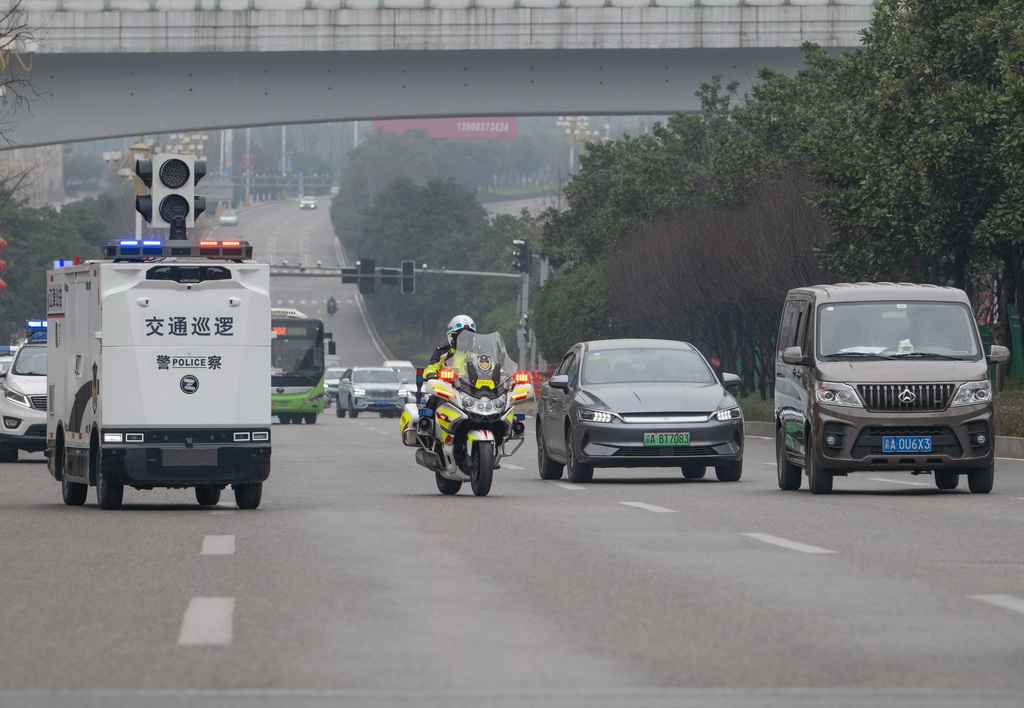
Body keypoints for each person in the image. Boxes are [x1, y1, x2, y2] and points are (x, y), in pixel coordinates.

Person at [423, 314, 476, 379]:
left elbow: (489, 367)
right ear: (452, 338)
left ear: (470, 339)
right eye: (460, 338)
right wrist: (430, 373)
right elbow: (432, 367)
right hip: (448, 386)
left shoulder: (477, 354)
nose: (463, 341)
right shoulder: (442, 352)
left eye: (466, 338)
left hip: (473, 388)